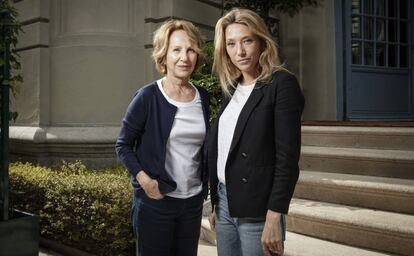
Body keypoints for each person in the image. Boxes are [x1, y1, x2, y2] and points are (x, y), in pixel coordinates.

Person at [207, 8, 305, 256]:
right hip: (224, 200)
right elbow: (222, 148)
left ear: (262, 41)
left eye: (247, 40)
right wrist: (216, 204)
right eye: (231, 43)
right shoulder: (232, 88)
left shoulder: (281, 84)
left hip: (259, 208)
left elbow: (287, 159)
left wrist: (275, 216)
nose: (239, 51)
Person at [115, 19, 209, 256]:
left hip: (192, 202)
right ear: (163, 55)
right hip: (156, 202)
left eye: (190, 50)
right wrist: (144, 181)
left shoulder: (203, 97)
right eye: (176, 50)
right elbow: (123, 145)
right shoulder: (147, 96)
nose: (184, 57)